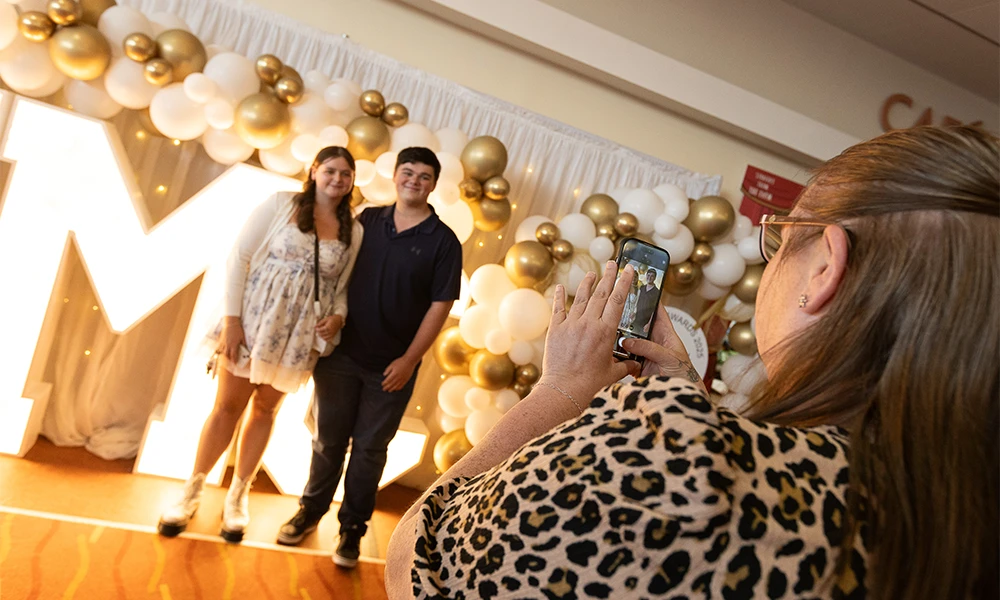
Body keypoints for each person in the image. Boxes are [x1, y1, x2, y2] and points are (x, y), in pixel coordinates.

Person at [385, 126, 998, 599]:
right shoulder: (968, 525)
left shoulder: (671, 458)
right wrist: (688, 400)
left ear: (824, 268)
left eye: (782, 237)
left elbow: (416, 563)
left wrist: (563, 390)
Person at [157, 147, 364, 542]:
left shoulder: (353, 230)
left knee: (266, 411)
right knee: (226, 409)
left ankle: (238, 496)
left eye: (345, 174)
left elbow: (342, 288)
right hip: (254, 321)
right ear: (314, 171)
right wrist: (232, 322)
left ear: (352, 180)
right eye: (331, 171)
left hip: (298, 335)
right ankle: (191, 491)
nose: (337, 179)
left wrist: (338, 317)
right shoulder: (281, 204)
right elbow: (240, 258)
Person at [278, 147, 463, 568]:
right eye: (408, 172)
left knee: (369, 450)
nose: (414, 181)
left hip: (392, 367)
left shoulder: (443, 242)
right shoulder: (366, 220)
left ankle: (352, 530)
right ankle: (310, 511)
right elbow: (336, 274)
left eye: (424, 176)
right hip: (340, 356)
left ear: (434, 184)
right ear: (395, 176)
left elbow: (440, 307)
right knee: (327, 441)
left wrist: (410, 360)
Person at [631, 266, 659, 334]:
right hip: (636, 321)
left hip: (645, 325)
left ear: (655, 278)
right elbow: (638, 302)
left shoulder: (657, 292)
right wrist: (634, 313)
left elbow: (655, 310)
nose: (649, 277)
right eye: (648, 275)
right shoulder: (642, 288)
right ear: (646, 276)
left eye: (652, 276)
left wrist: (649, 324)